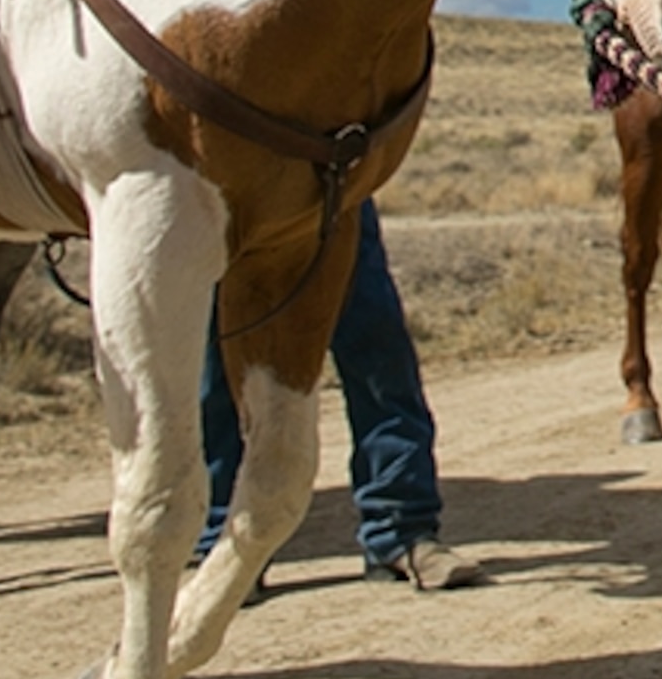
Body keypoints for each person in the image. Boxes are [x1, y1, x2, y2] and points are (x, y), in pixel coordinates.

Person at [199, 199, 482, 591]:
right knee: (220, 363)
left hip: (332, 179)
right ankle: (225, 543)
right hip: (224, 185)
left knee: (378, 349)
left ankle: (400, 530)